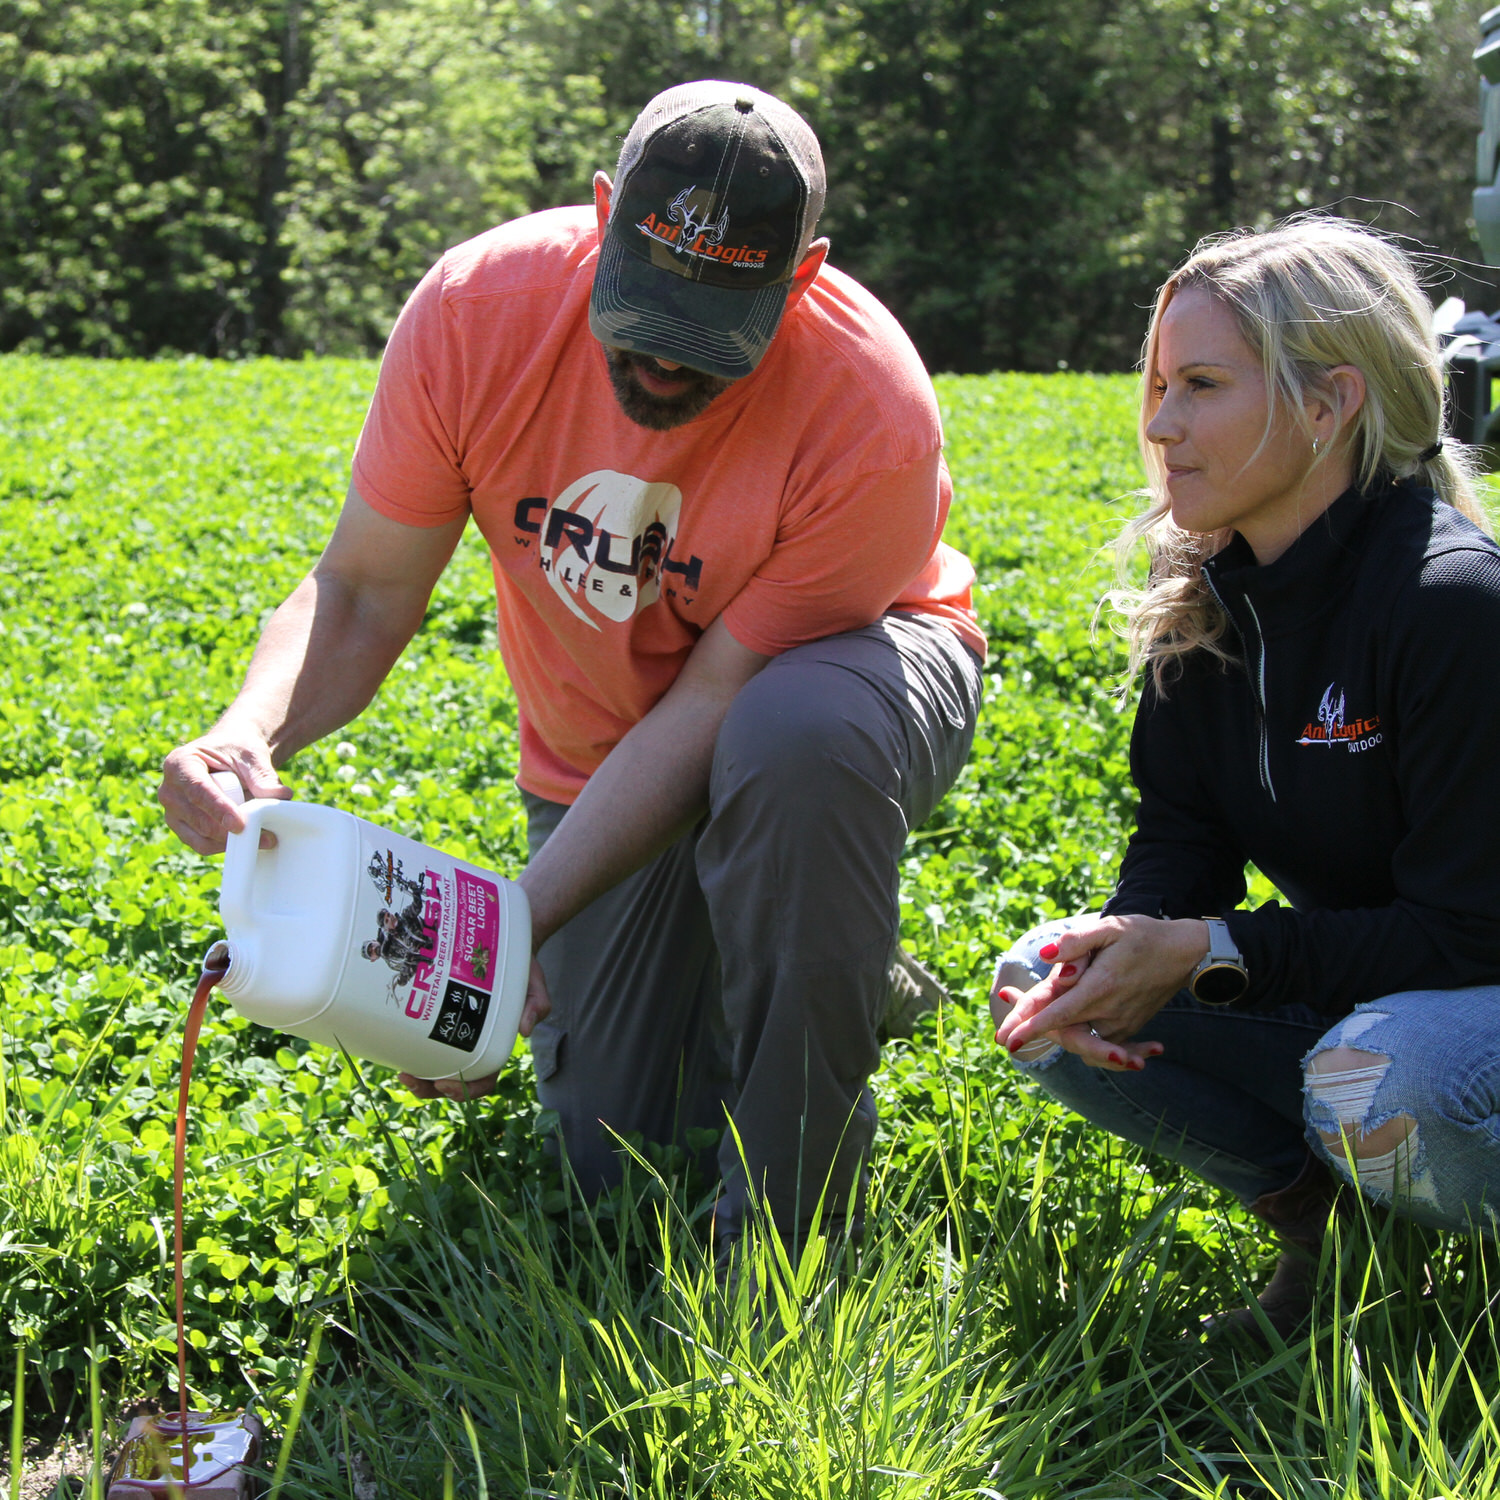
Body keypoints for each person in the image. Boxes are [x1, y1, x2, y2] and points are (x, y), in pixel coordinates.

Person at [158, 80, 985, 1250]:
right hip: (601, 743)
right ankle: (829, 958)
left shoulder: (870, 412)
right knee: (617, 1154)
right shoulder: (477, 311)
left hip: (846, 682)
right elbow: (361, 589)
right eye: (643, 308)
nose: (660, 366)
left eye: (711, 334)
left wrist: (516, 925)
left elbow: (713, 709)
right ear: (603, 217)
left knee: (792, 744)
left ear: (802, 277)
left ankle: (794, 1229)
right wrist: (251, 730)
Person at [991, 217, 1500, 1339]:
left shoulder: (1453, 604)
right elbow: (1184, 837)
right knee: (1040, 977)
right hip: (1380, 995)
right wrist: (1132, 943)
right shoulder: (1213, 595)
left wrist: (1217, 955)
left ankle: (1461, 1313)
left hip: (1475, 1002)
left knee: (1383, 1074)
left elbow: (1474, 933)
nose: (1161, 425)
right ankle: (1334, 1244)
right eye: (1160, 385)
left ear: (1330, 404)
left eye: (1203, 385)